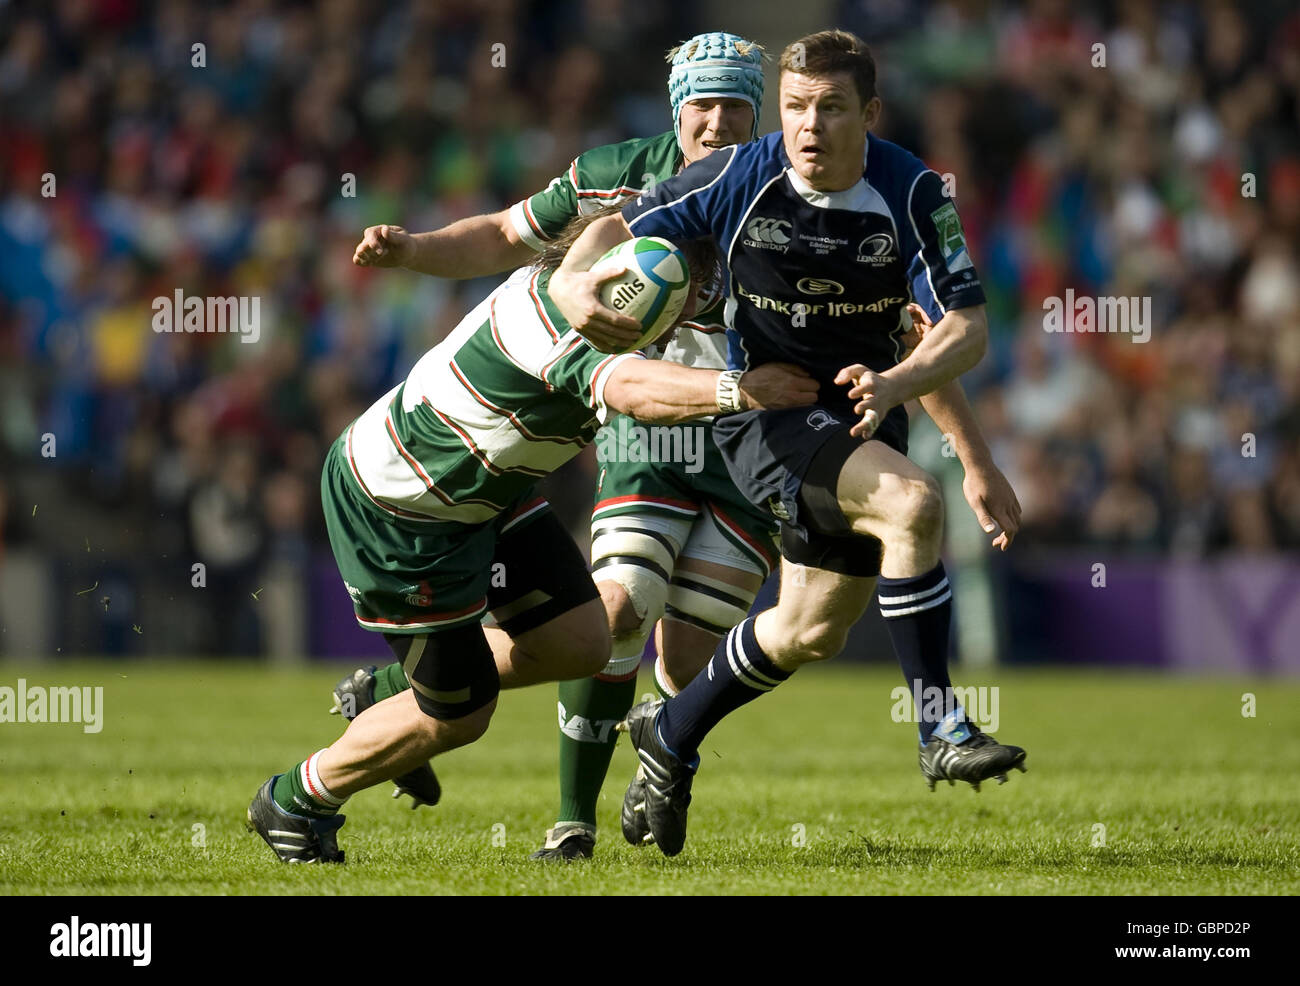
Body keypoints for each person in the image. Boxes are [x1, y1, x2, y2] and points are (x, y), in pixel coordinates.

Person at [547, 29, 1027, 857]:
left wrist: (941, 424)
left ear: (868, 113)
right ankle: (940, 726)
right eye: (796, 107)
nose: (809, 126)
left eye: (831, 108)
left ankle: (669, 735)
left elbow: (966, 329)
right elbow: (609, 230)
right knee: (913, 505)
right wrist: (569, 283)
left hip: (866, 415)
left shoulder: (913, 193)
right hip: (765, 418)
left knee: (809, 629)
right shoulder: (737, 174)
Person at [245, 218, 818, 863]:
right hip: (406, 510)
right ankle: (296, 799)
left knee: (584, 640)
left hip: (489, 489)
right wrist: (737, 388)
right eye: (684, 292)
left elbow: (600, 220)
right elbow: (631, 391)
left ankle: (383, 694)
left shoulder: (585, 277)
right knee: (458, 715)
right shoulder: (564, 328)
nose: (695, 306)